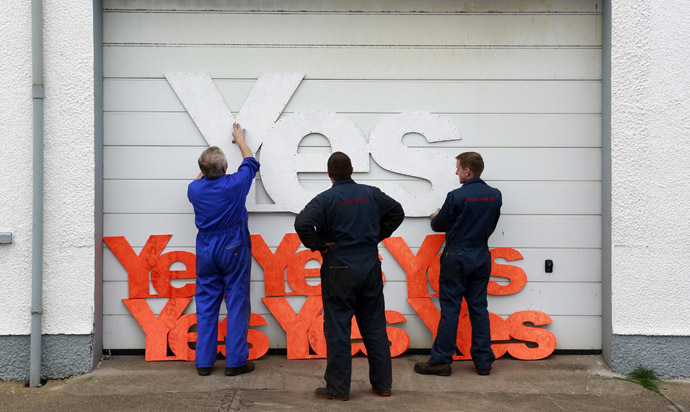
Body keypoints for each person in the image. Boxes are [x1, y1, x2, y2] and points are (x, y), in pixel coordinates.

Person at [294, 152, 404, 401]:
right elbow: (397, 212)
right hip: (369, 266)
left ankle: (338, 388)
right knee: (375, 327)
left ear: (329, 174)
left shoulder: (325, 199)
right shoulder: (372, 193)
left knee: (338, 329)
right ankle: (383, 385)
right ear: (352, 169)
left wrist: (320, 244)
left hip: (339, 269)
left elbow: (302, 224)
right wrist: (375, 236)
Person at [414, 152, 502, 377]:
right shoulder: (495, 196)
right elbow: (490, 224)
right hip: (481, 255)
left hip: (456, 257)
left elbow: (438, 225)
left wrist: (435, 216)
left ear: (467, 171)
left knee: (451, 309)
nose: (456, 172)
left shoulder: (456, 196)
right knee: (479, 308)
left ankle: (441, 361)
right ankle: (483, 362)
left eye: (458, 168)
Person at [187, 123, 259, 376]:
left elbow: (199, 179)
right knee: (237, 300)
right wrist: (239, 139)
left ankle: (204, 363)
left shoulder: (194, 189)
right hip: (233, 246)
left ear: (202, 170)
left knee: (206, 303)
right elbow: (251, 162)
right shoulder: (235, 184)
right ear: (226, 168)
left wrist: (204, 172)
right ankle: (235, 361)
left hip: (206, 247)